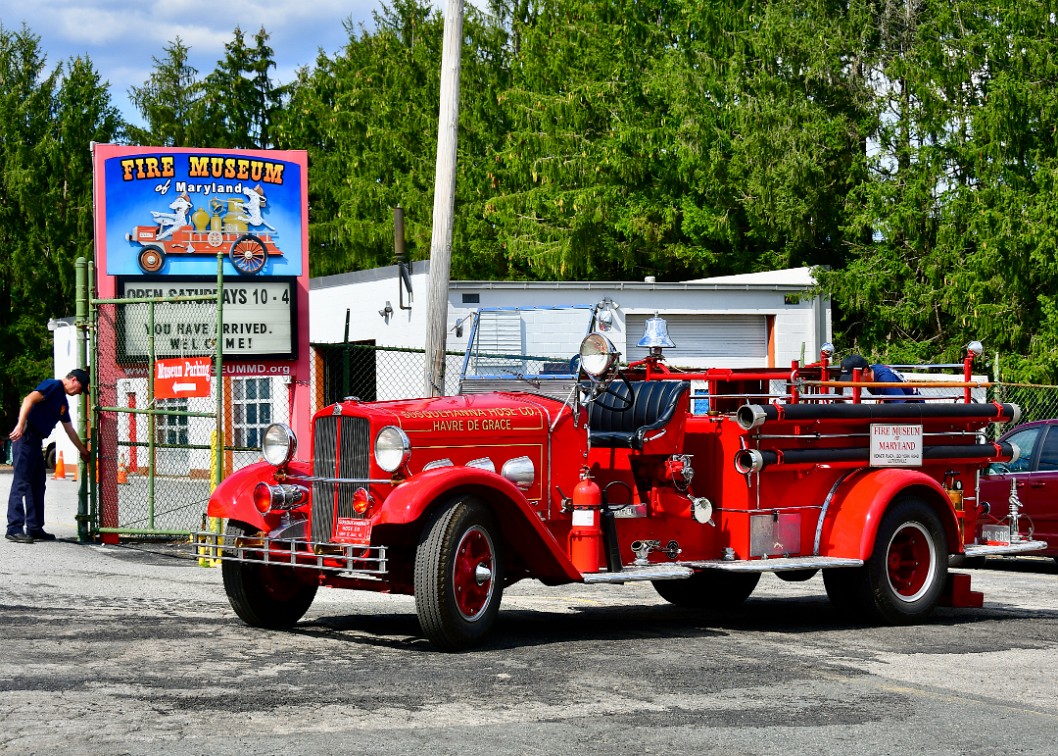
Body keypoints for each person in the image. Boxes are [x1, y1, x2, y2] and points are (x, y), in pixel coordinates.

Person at [6, 369, 91, 544]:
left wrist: (83, 451)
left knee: (38, 484)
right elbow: (29, 399)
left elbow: (70, 430)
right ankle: (14, 528)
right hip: (26, 436)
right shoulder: (54, 386)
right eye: (80, 388)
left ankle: (35, 527)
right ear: (73, 380)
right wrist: (21, 425)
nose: (79, 393)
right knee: (21, 483)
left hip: (36, 440)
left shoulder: (63, 403)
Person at [838, 354, 921, 403]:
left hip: (916, 411)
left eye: (853, 378)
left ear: (865, 371)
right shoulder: (872, 377)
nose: (851, 383)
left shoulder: (885, 380)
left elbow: (902, 407)